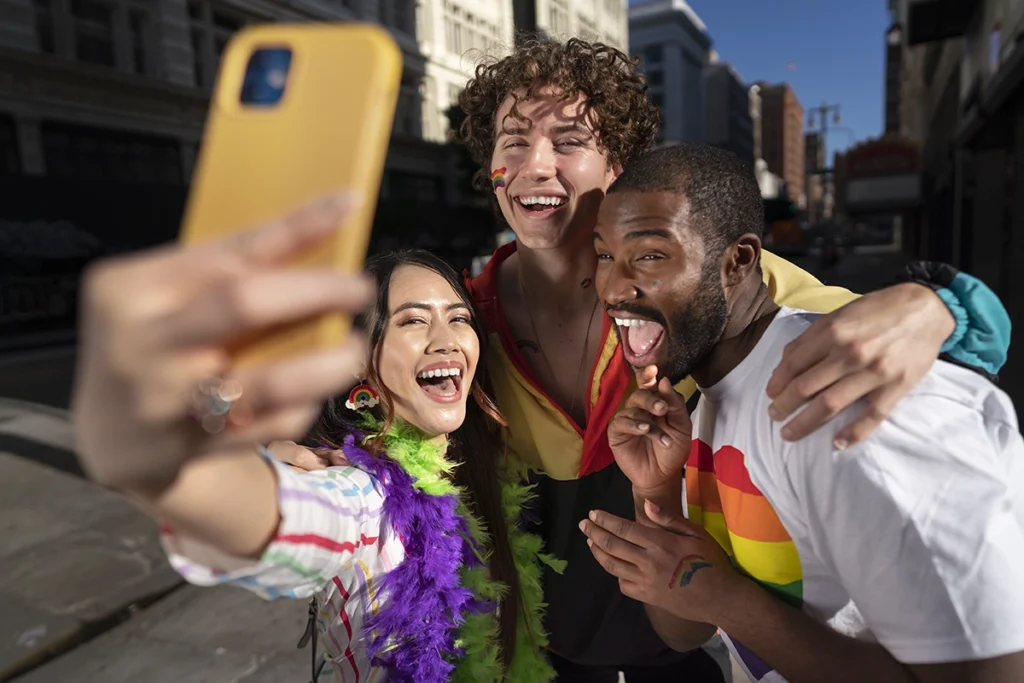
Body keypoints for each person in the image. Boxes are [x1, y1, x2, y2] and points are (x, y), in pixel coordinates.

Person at [447, 37, 1009, 681]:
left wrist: (934, 306)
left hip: (695, 651)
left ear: (617, 164)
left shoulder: (699, 287)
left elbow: (947, 346)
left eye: (569, 140)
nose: (535, 165)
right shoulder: (463, 316)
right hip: (543, 660)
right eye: (512, 140)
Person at [579, 143, 1022, 683]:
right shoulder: (706, 393)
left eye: (650, 255)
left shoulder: (849, 401)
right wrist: (657, 493)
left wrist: (732, 601)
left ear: (738, 261)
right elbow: (685, 629)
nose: (614, 286)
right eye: (604, 255)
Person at [71, 198, 564, 683]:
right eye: (413, 320)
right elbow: (281, 516)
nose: (446, 339)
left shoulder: (492, 467)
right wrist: (167, 465)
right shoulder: (363, 497)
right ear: (360, 362)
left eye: (458, 318)